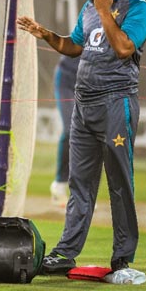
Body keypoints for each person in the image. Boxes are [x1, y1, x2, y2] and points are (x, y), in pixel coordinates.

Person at [17, 0, 146, 278]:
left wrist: (105, 10)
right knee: (79, 184)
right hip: (84, 106)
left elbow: (123, 48)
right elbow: (74, 46)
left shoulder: (139, 9)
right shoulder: (90, 7)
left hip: (115, 104)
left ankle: (122, 258)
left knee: (120, 182)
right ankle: (66, 252)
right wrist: (45, 33)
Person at [50, 55, 79, 208]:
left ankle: (82, 193)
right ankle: (59, 185)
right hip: (67, 78)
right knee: (70, 129)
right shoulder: (88, 30)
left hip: (91, 81)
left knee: (90, 134)